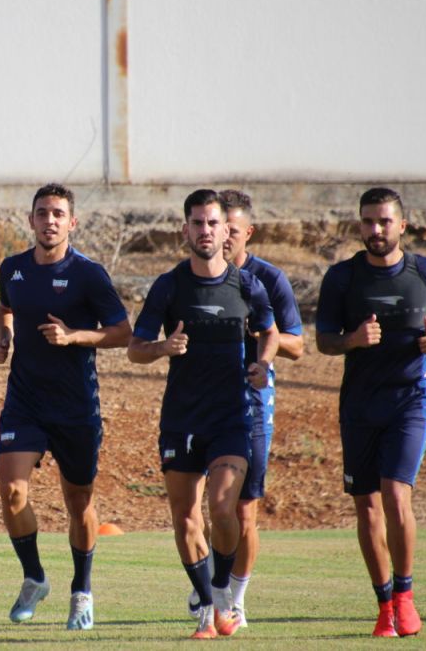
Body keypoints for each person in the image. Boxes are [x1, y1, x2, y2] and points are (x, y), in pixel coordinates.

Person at [128, 188, 278, 639]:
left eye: (213, 223)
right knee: (185, 518)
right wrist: (163, 348)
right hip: (181, 418)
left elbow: (270, 333)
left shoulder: (247, 284)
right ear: (185, 230)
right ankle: (208, 609)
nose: (206, 231)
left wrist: (263, 365)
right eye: (197, 223)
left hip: (232, 416)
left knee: (222, 507)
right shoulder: (169, 285)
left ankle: (222, 595)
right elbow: (135, 350)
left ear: (224, 229)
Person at [316, 187, 426, 637]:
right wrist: (352, 340)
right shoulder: (342, 278)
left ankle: (405, 595)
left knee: (397, 494)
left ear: (403, 225)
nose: (375, 230)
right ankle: (383, 605)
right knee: (368, 507)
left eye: (384, 221)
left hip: (410, 397)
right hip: (359, 403)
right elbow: (324, 340)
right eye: (368, 222)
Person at [0, 183, 131, 631]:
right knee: (12, 493)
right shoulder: (12, 269)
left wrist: (74, 337)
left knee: (79, 504)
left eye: (58, 214)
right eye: (42, 212)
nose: (49, 220)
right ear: (30, 220)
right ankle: (34, 578)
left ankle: (82, 592)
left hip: (76, 407)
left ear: (72, 222)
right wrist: (5, 338)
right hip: (25, 401)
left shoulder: (89, 274)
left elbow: (122, 332)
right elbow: (6, 307)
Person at [186, 190, 304, 627]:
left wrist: (262, 341)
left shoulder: (266, 280)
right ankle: (208, 589)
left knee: (242, 511)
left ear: (245, 233)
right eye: (215, 227)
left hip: (250, 406)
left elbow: (297, 343)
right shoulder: (193, 279)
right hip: (198, 406)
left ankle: (234, 598)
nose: (221, 237)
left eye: (231, 231)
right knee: (195, 508)